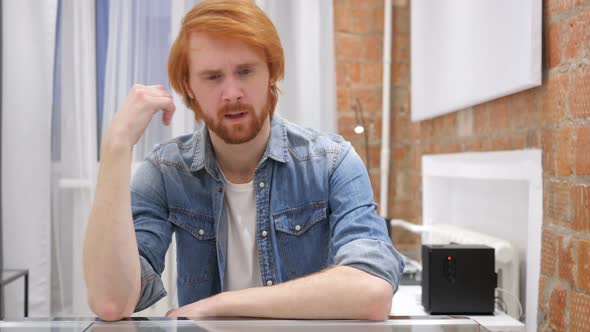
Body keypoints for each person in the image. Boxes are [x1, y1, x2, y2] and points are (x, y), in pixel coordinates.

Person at [83, 0, 404, 322]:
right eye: (212, 77)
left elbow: (372, 291)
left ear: (271, 73)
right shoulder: (166, 172)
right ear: (188, 88)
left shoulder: (331, 161)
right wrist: (116, 145)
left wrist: (220, 305)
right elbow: (112, 302)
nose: (232, 92)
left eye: (245, 71)